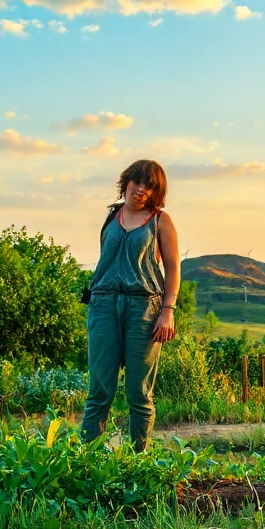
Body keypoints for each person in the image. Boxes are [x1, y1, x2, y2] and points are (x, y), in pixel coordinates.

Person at [80, 159, 181, 451]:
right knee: (99, 390)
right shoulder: (111, 218)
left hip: (143, 309)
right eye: (137, 182)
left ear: (156, 192)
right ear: (126, 182)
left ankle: (139, 459)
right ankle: (88, 458)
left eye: (149, 186)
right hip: (103, 305)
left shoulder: (160, 221)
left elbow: (173, 268)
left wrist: (168, 312)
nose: (141, 190)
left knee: (139, 392)